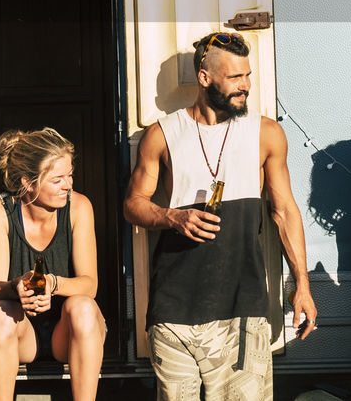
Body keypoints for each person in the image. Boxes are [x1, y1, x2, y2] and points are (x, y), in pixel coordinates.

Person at [124, 30, 317, 400]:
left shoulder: (266, 133)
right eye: (235, 77)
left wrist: (301, 286)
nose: (245, 86)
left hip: (241, 308)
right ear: (204, 77)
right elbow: (133, 203)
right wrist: (172, 218)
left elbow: (285, 212)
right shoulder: (162, 135)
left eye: (247, 76)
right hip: (174, 309)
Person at [0, 128, 106, 401]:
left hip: (69, 332)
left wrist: (52, 283)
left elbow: (90, 285)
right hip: (23, 334)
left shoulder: (79, 207)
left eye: (70, 175)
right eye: (57, 179)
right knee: (0, 313)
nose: (69, 185)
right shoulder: (0, 211)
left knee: (82, 305)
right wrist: (16, 286)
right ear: (29, 183)